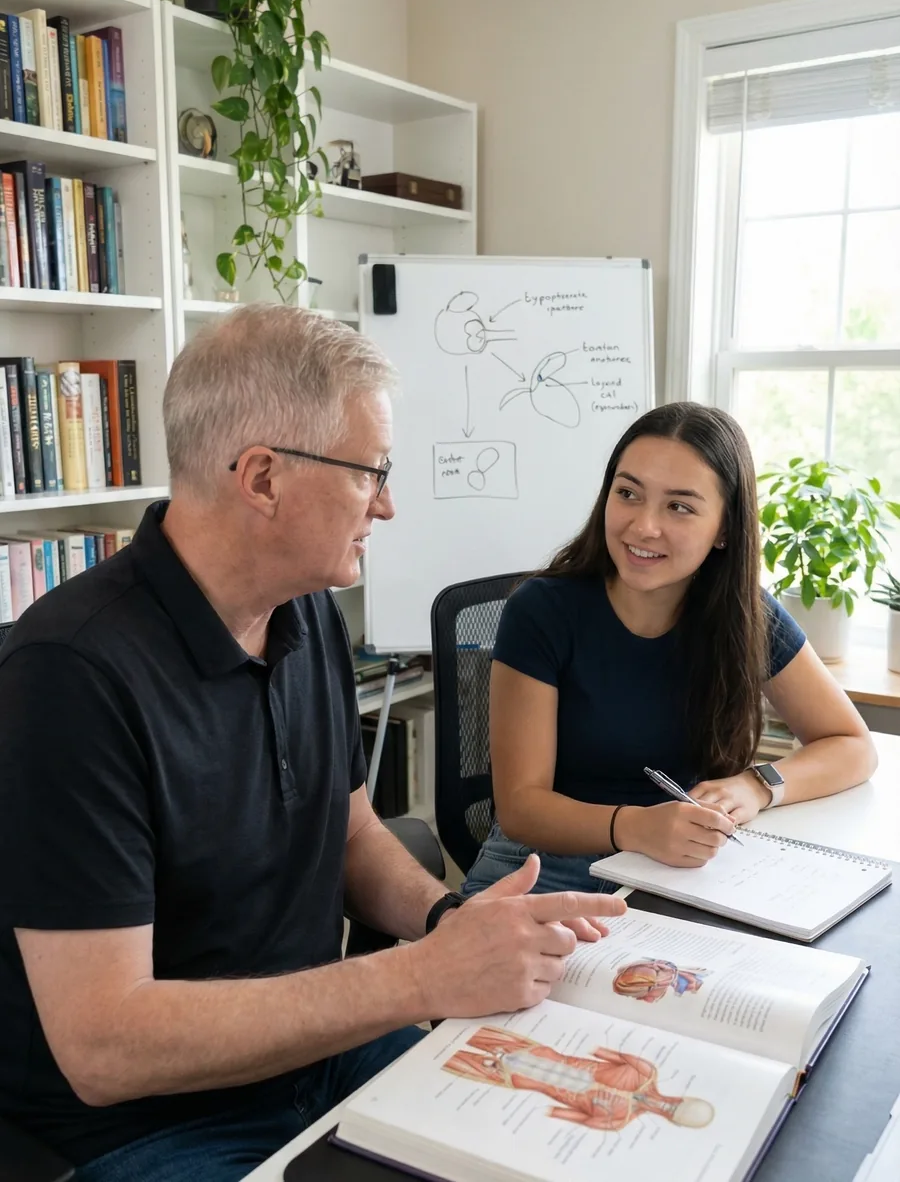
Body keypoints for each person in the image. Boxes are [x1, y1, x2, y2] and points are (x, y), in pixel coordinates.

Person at [0, 305, 627, 1182]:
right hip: (149, 1126)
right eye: (371, 473)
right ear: (263, 478)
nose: (388, 505)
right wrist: (423, 978)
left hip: (314, 1058)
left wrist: (451, 920)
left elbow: (351, 832)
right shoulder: (69, 673)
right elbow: (104, 1047)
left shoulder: (308, 613)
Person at [462, 401, 877, 897]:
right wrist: (635, 827)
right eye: (628, 493)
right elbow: (521, 808)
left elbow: (853, 746)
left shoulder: (744, 614)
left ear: (725, 529)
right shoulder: (542, 610)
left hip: (672, 865)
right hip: (541, 863)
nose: (643, 527)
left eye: (679, 506)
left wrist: (757, 784)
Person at [443, 1026, 714, 1131]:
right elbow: (596, 1049)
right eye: (676, 1105)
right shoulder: (644, 1072)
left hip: (512, 1077)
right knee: (454, 1033)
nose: (665, 1106)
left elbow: (554, 1112)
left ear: (672, 1121)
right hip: (531, 1051)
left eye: (672, 1112)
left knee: (442, 1052)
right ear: (682, 1097)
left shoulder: (617, 1120)